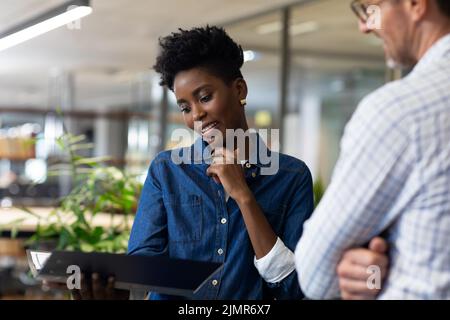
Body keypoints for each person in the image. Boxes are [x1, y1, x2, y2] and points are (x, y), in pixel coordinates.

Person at [56, 25, 387, 300]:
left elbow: (294, 288)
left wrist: (243, 194)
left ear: (239, 89)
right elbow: (145, 273)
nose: (196, 115)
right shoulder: (167, 171)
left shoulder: (290, 176)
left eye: (204, 97)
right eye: (185, 107)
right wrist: (99, 289)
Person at [295, 0, 450, 299]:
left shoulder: (400, 112)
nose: (364, 26)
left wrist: (379, 259)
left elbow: (316, 275)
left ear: (416, 5)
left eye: (371, 8)